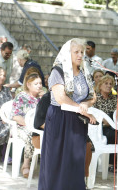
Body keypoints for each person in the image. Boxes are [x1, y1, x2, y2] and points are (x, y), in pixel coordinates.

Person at [39, 38, 97, 190]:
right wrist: (82, 108)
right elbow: (61, 98)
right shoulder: (58, 71)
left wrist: (86, 104)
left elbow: (93, 97)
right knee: (57, 160)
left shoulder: (84, 72)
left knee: (75, 160)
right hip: (60, 118)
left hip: (78, 120)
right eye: (76, 52)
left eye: (82, 52)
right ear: (67, 53)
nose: (80, 55)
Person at [11, 72, 42, 178]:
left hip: (38, 127)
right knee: (31, 134)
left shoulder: (42, 98)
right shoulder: (21, 96)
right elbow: (15, 116)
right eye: (36, 83)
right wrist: (29, 124)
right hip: (21, 127)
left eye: (40, 83)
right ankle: (26, 165)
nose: (39, 86)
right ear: (28, 85)